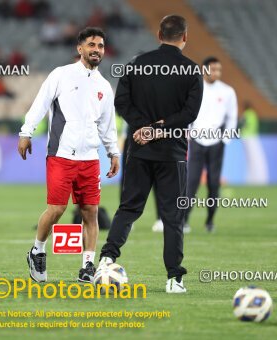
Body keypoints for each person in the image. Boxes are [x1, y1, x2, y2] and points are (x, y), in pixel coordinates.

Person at [98, 15, 203, 293]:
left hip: (139, 151)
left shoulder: (136, 64)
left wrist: (145, 128)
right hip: (173, 155)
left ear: (159, 34)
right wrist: (160, 129)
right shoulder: (192, 71)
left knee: (129, 208)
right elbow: (189, 114)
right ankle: (174, 279)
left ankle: (107, 259)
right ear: (185, 37)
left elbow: (121, 102)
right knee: (172, 217)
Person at [18, 27, 120, 283]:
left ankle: (87, 265)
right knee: (57, 209)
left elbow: (107, 125)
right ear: (80, 48)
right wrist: (26, 132)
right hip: (61, 155)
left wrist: (113, 152)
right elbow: (40, 103)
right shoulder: (61, 75)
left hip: (90, 159)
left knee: (91, 212)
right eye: (92, 45)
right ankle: (37, 250)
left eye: (100, 46)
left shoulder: (104, 87)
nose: (97, 50)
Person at [184, 56, 238, 233]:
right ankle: (184, 220)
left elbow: (232, 117)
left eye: (219, 70)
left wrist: (225, 139)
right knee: (191, 182)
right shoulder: (193, 88)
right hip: (197, 141)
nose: (216, 73)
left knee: (214, 184)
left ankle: (210, 220)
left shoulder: (228, 91)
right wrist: (188, 133)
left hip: (216, 143)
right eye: (213, 69)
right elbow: (186, 112)